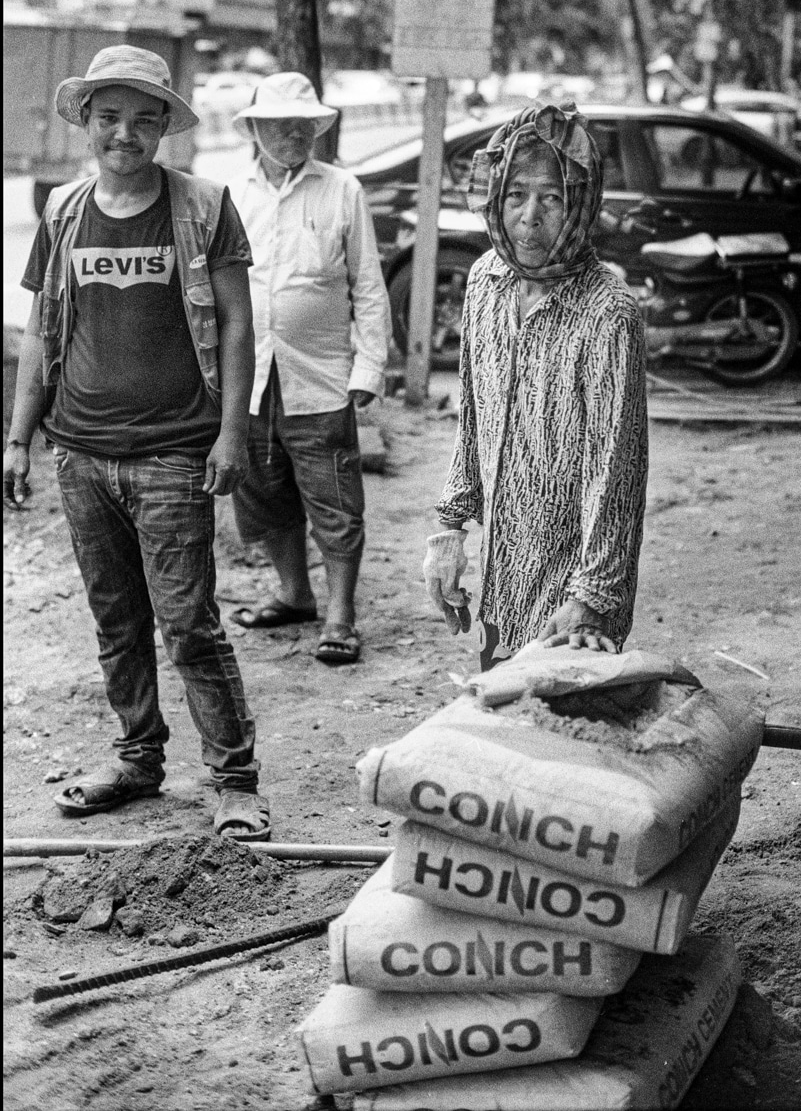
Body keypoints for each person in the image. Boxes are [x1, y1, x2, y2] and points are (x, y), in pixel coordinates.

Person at [2, 45, 269, 841]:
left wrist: (232, 433)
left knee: (187, 620)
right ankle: (137, 757)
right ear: (87, 121)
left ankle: (234, 778)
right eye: (109, 117)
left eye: (142, 119)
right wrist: (18, 440)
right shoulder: (62, 212)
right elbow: (43, 331)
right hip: (79, 452)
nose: (125, 133)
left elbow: (236, 326)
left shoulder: (203, 207)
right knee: (115, 618)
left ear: (163, 127)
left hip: (174, 453)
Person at [423, 100, 649, 670]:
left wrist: (592, 598)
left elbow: (616, 469)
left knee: (560, 735)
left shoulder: (608, 312)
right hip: (501, 573)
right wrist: (449, 530)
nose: (529, 216)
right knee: (498, 711)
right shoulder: (486, 282)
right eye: (516, 193)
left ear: (581, 204)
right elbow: (473, 414)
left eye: (552, 198)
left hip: (569, 596)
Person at [227, 73, 391, 666]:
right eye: (278, 125)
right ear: (256, 130)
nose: (291, 134)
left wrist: (368, 368)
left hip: (319, 376)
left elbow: (368, 287)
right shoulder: (231, 193)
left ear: (316, 130)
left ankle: (341, 616)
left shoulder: (342, 189)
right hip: (247, 379)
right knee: (262, 493)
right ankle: (295, 595)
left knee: (335, 500)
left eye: (301, 125)